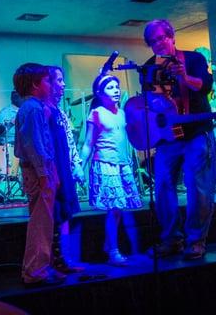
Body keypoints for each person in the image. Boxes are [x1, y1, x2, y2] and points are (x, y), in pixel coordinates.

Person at [143, 19, 216, 260]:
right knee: (163, 184)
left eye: (161, 38)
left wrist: (184, 77)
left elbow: (204, 87)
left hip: (196, 131)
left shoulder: (193, 59)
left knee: (197, 186)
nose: (158, 44)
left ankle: (196, 241)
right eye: (152, 41)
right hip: (168, 137)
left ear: (172, 37)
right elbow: (149, 103)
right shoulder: (148, 67)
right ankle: (171, 239)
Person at [80, 74, 142, 266]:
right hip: (106, 166)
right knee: (114, 209)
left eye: (117, 86)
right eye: (110, 87)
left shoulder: (122, 113)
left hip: (122, 164)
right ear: (99, 93)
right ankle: (113, 251)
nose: (115, 90)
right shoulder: (96, 113)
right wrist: (79, 167)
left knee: (119, 209)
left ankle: (109, 245)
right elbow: (88, 143)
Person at [13, 63, 65, 287]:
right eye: (47, 81)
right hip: (37, 172)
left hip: (39, 170)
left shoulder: (32, 107)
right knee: (41, 224)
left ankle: (36, 268)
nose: (51, 85)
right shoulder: (33, 108)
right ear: (35, 85)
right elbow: (34, 144)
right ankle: (36, 272)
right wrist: (45, 173)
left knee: (42, 222)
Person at [47, 66, 84, 273]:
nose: (63, 85)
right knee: (56, 214)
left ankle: (65, 259)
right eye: (59, 81)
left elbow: (70, 142)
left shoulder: (59, 111)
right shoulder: (45, 110)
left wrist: (77, 164)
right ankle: (57, 260)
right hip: (55, 171)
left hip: (65, 170)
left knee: (65, 214)